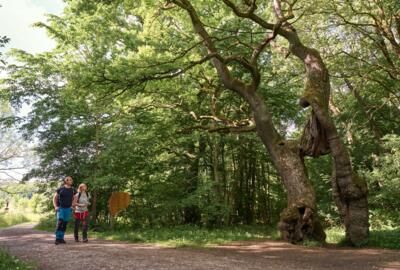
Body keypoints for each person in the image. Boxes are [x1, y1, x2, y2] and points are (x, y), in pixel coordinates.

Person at [53, 176, 76, 245]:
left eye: (71, 180)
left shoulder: (72, 190)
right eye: (70, 180)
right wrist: (55, 206)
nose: (71, 181)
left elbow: (75, 198)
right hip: (60, 208)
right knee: (60, 222)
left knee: (65, 223)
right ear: (66, 181)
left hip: (68, 209)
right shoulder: (60, 189)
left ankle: (62, 238)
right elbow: (54, 198)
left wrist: (72, 206)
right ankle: (57, 238)